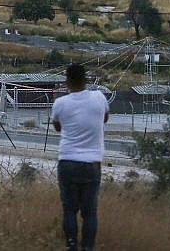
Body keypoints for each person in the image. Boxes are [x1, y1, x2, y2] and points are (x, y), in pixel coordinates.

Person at [51, 63, 109, 251]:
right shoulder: (99, 98)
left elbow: (58, 127)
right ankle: (88, 247)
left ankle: (71, 246)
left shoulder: (60, 103)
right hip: (92, 163)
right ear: (86, 79)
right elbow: (105, 118)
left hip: (67, 161)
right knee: (90, 212)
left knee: (69, 210)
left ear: (67, 81)